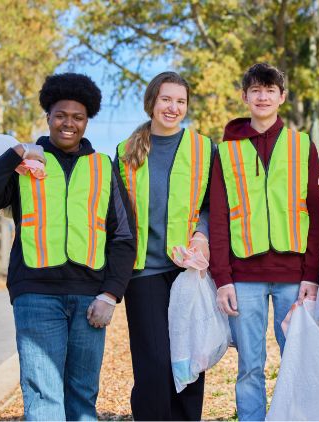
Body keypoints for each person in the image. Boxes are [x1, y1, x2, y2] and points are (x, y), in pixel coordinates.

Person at [0, 73, 136, 421]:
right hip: (36, 296)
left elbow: (123, 238)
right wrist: (13, 155)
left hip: (90, 299)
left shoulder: (103, 167)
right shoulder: (25, 164)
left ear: (87, 121)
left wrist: (110, 294)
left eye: (78, 117)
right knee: (43, 398)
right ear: (48, 116)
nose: (68, 123)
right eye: (61, 115)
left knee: (82, 397)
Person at [209, 63, 319, 421]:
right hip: (243, 278)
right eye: (255, 91)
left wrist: (312, 274)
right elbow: (218, 217)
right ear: (244, 96)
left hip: (295, 278)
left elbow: (317, 214)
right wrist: (223, 277)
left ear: (282, 97)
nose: (262, 97)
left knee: (298, 362)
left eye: (270, 90)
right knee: (249, 366)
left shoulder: (301, 144)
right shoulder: (226, 151)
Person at [115, 71, 213, 421]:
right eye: (166, 99)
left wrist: (201, 236)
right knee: (154, 364)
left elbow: (211, 205)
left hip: (187, 270)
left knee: (189, 360)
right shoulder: (125, 152)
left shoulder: (204, 148)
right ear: (152, 103)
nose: (173, 107)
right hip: (142, 271)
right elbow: (115, 214)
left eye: (180, 101)